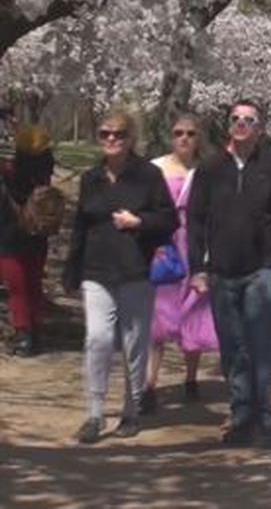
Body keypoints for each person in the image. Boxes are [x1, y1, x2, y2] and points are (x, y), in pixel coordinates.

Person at [187, 100, 271, 448]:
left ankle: (266, 418)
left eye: (248, 120)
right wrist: (197, 268)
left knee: (261, 345)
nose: (241, 124)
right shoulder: (210, 169)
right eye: (235, 119)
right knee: (233, 347)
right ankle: (240, 417)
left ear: (260, 129)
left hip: (262, 270)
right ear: (228, 126)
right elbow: (195, 220)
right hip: (222, 272)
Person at [63, 110, 177, 444]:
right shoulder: (91, 178)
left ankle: (131, 409)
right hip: (97, 271)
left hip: (135, 270)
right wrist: (72, 270)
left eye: (119, 134)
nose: (111, 139)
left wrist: (139, 222)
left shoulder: (148, 176)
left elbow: (169, 220)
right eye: (104, 134)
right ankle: (95, 413)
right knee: (97, 339)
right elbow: (81, 226)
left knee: (134, 345)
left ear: (131, 138)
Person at [143, 114, 218, 413]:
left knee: (194, 314)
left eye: (190, 133)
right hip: (164, 249)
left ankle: (190, 379)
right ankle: (150, 385)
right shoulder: (155, 169)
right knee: (157, 321)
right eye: (178, 133)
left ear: (199, 137)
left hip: (196, 250)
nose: (184, 138)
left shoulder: (206, 172)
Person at [1, 120, 55, 356]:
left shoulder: (10, 172)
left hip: (9, 236)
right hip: (37, 236)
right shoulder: (44, 172)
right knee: (33, 285)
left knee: (17, 289)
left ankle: (24, 335)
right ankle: (36, 332)